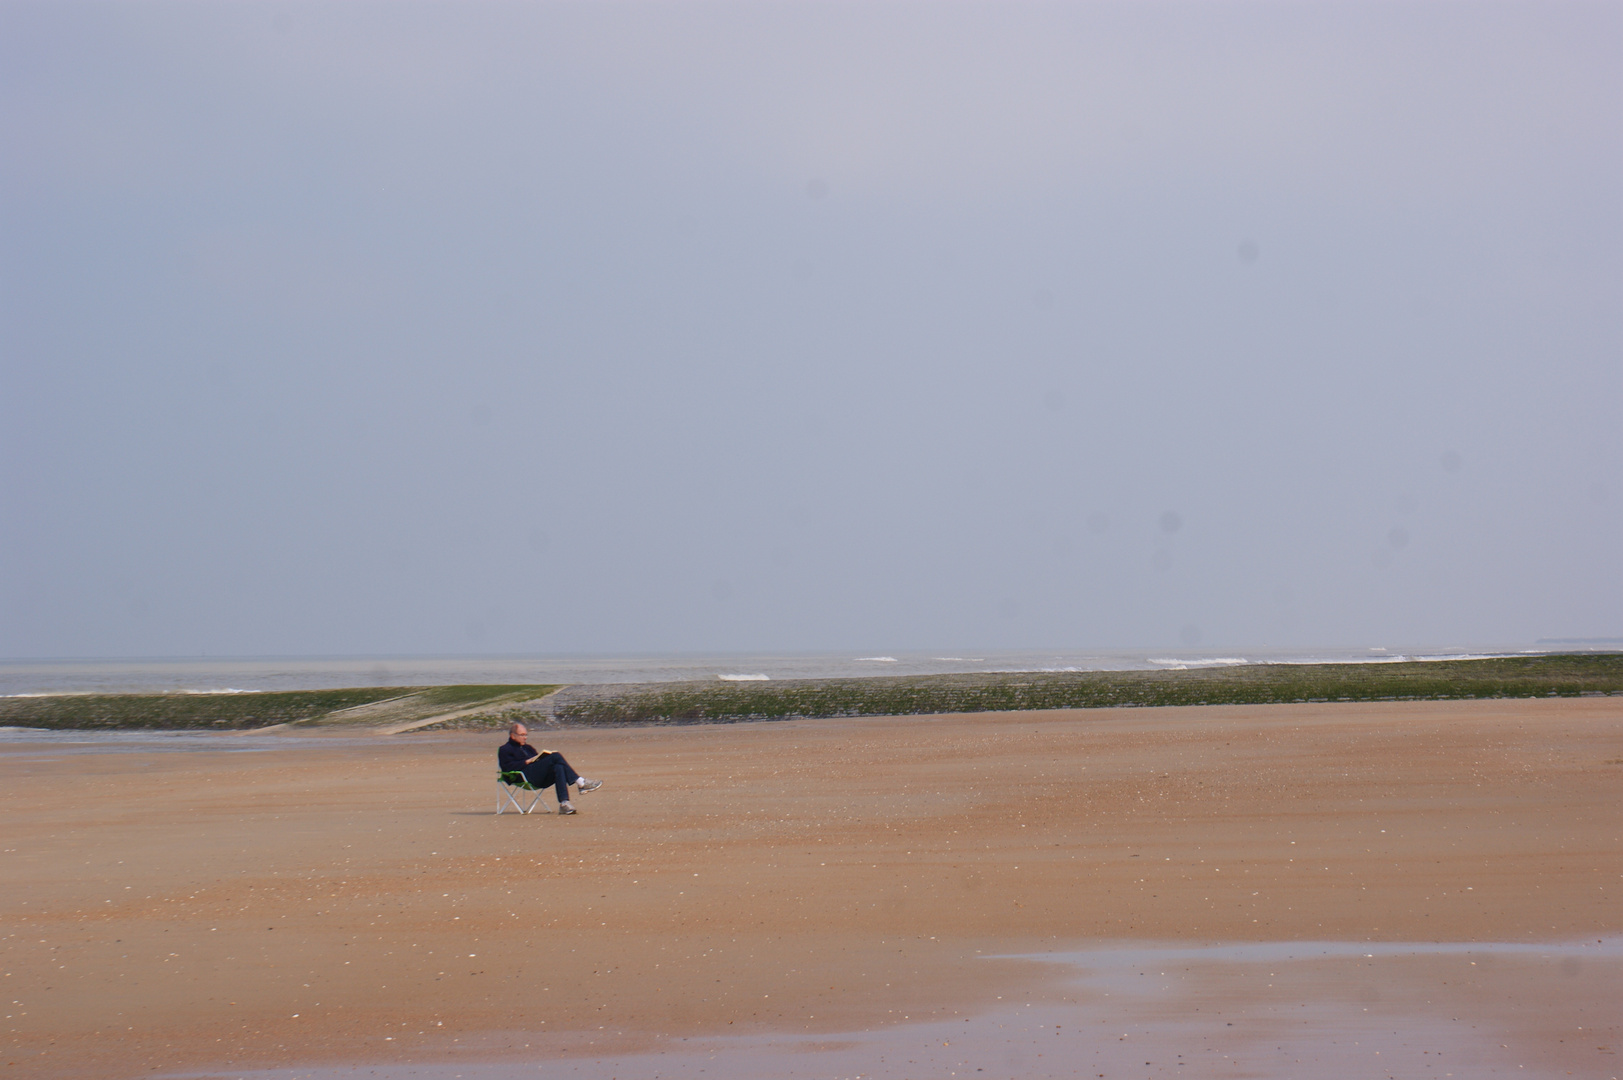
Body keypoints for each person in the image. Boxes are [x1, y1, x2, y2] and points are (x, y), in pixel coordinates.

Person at [497, 722, 601, 814]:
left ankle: (564, 803)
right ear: (513, 736)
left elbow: (538, 761)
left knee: (558, 766)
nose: (525, 737)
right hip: (524, 776)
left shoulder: (528, 748)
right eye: (522, 735)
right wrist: (526, 761)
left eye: (526, 735)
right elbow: (507, 768)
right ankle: (581, 783)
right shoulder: (505, 749)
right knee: (555, 755)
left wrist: (539, 759)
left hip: (539, 777)